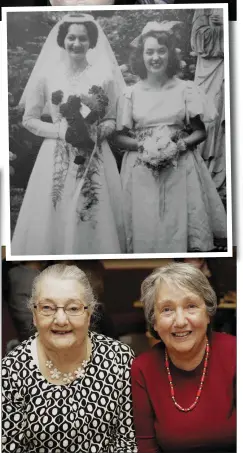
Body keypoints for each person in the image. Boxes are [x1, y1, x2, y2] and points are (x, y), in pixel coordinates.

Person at [11, 13, 125, 255]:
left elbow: (113, 119)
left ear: (92, 42)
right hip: (56, 153)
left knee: (94, 205)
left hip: (95, 153)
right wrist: (61, 132)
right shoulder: (47, 76)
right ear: (63, 40)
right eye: (71, 38)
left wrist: (97, 132)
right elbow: (29, 120)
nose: (76, 44)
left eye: (83, 39)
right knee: (56, 204)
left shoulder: (104, 76)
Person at [116, 21, 227, 253]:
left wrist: (176, 146)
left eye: (161, 51)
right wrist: (144, 146)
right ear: (141, 56)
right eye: (149, 52)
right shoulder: (131, 94)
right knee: (146, 222)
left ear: (170, 55)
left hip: (181, 167)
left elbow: (200, 132)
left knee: (176, 221)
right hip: (141, 169)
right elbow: (118, 138)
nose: (155, 57)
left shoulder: (185, 89)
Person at [2, 263, 137, 452]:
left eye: (73, 308)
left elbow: (127, 441)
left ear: (89, 314)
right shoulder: (12, 370)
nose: (61, 320)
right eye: (47, 308)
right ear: (34, 315)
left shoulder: (119, 359)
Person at [131, 262, 236, 453]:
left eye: (191, 306)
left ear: (208, 313)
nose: (180, 322)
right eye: (167, 310)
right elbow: (146, 447)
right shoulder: (142, 369)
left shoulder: (236, 354)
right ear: (153, 322)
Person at [191, 9, 225, 201]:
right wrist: (219, 28)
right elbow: (197, 39)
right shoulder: (203, 8)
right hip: (210, 69)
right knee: (210, 117)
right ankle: (206, 174)